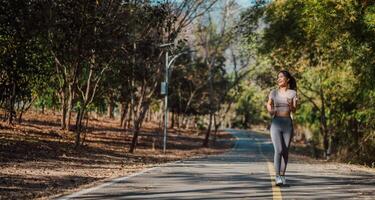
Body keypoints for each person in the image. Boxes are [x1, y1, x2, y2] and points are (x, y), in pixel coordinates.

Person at [266, 70, 298, 186]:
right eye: (278, 77)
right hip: (276, 123)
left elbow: (294, 110)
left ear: (287, 79)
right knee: (278, 150)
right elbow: (268, 104)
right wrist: (270, 110)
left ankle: (283, 175)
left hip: (287, 124)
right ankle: (277, 176)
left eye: (281, 77)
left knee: (285, 151)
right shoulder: (273, 92)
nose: (279, 79)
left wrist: (291, 105)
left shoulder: (292, 93)